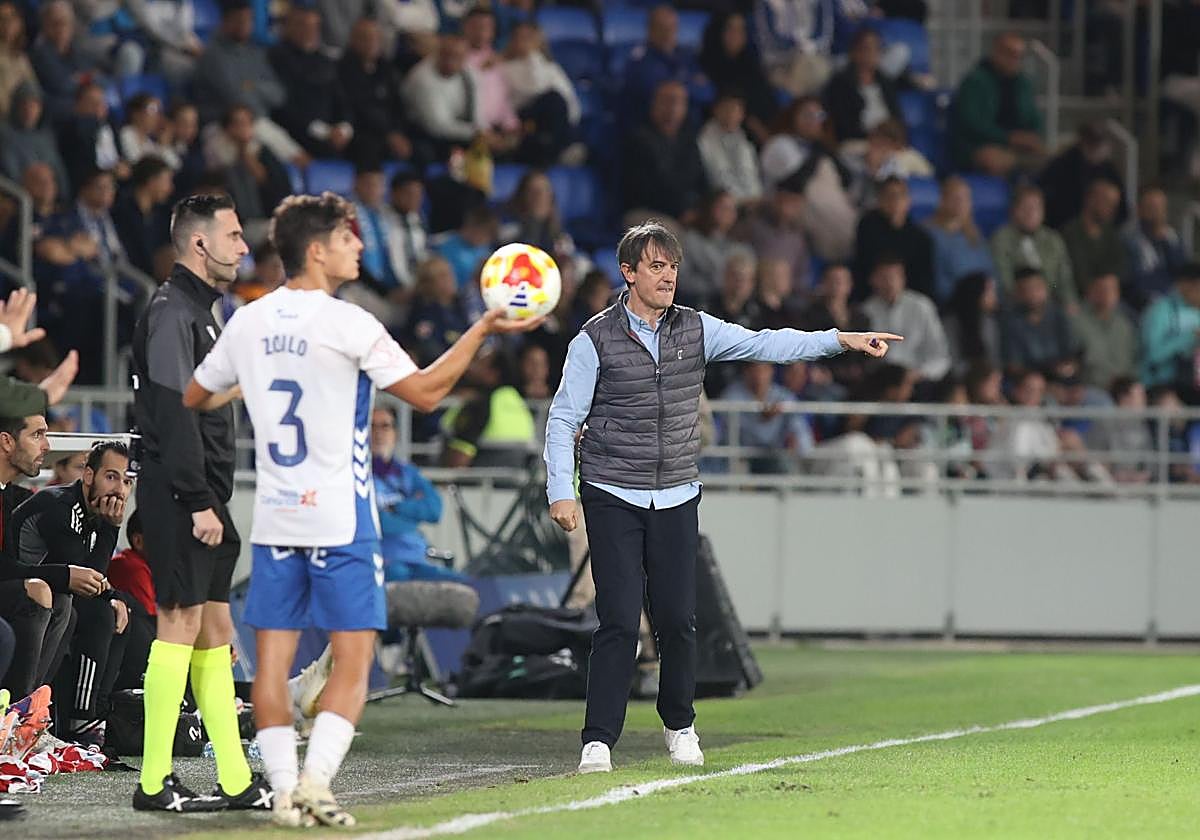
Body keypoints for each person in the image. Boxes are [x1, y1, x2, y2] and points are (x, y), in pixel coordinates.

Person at [183, 191, 544, 827]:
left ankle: (283, 792)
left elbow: (195, 395)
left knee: (273, 662)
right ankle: (316, 783)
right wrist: (483, 330)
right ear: (316, 250)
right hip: (341, 521)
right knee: (354, 659)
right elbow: (427, 393)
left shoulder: (248, 320)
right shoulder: (349, 323)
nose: (359, 245)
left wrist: (249, 385)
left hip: (277, 517)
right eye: (348, 237)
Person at [544, 221, 899, 774]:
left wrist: (838, 339)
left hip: (677, 492)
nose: (668, 276)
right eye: (656, 266)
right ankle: (598, 740)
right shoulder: (592, 339)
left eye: (673, 267)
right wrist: (560, 491)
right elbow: (564, 418)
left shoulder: (698, 328)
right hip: (612, 491)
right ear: (629, 273)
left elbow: (767, 343)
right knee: (617, 621)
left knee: (677, 619)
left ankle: (680, 727)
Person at [129, 193, 270, 813]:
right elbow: (171, 407)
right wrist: (195, 498)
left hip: (205, 494)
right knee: (180, 625)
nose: (244, 248)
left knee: (214, 633)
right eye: (234, 236)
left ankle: (235, 780)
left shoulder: (199, 314)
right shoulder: (171, 312)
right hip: (183, 494)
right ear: (199, 243)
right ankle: (153, 782)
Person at [8, 441, 133, 742]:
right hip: (16, 589)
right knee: (93, 612)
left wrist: (113, 596)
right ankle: (72, 717)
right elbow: (83, 576)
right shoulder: (60, 505)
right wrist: (112, 527)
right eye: (111, 477)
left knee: (123, 610)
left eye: (127, 481)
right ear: (89, 475)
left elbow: (90, 578)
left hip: (49, 590)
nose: (119, 489)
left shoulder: (93, 512)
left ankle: (95, 715)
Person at [0, 412, 80, 701]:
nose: (46, 446)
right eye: (37, 435)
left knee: (64, 603)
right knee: (38, 591)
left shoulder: (10, 494)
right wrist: (62, 574)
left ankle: (30, 708)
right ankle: (16, 710)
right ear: (7, 442)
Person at [370, 405, 449, 583]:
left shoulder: (407, 472)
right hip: (380, 560)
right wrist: (410, 513)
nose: (378, 433)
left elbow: (434, 510)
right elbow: (377, 522)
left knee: (466, 585)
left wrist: (395, 507)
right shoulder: (352, 474)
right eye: (372, 426)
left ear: (395, 434)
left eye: (385, 426)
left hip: (415, 557)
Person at [950, 32, 1044, 175]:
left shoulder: (1023, 84)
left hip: (1017, 146)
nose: (1015, 60)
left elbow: (1034, 117)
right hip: (979, 145)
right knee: (996, 161)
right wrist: (1008, 138)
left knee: (1051, 160)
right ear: (996, 52)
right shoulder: (975, 81)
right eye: (1010, 53)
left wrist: (1033, 137)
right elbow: (971, 124)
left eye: (1019, 55)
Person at [860, 254, 950, 383]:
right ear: (873, 279)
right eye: (884, 277)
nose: (890, 282)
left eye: (895, 277)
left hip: (919, 378)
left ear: (903, 278)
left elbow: (940, 355)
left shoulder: (922, 306)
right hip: (880, 381)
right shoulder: (866, 310)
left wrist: (918, 375)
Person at [990, 184, 1076, 309]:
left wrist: (1067, 300)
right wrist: (1025, 296)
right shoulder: (1001, 239)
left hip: (1052, 302)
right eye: (1025, 207)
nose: (1030, 213)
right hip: (1016, 303)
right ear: (1013, 210)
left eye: (1036, 208)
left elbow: (1062, 278)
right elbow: (1003, 279)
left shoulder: (1053, 239)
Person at [853, 176, 934, 300]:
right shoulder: (867, 227)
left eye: (900, 196)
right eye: (889, 196)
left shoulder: (921, 237)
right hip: (873, 296)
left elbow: (924, 280)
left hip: (909, 298)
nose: (895, 201)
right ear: (880, 200)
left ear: (908, 201)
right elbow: (863, 268)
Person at [924, 176, 996, 306]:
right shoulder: (930, 236)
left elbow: (990, 272)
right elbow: (938, 283)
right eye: (955, 198)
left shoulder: (976, 236)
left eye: (966, 198)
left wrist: (991, 294)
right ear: (942, 201)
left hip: (984, 304)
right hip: (952, 307)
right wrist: (972, 298)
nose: (961, 203)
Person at [823, 28, 902, 144]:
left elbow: (897, 118)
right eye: (867, 48)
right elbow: (843, 125)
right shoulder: (840, 84)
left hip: (888, 140)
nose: (872, 53)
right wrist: (875, 138)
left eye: (877, 48)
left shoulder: (885, 82)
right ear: (854, 52)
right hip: (857, 141)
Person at [999, 267, 1077, 376]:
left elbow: (1072, 353)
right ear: (1017, 294)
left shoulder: (1058, 315)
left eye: (1037, 288)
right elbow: (1014, 366)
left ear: (1046, 288)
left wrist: (1070, 366)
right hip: (1030, 380)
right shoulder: (1010, 322)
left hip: (1063, 377)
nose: (1033, 294)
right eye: (1026, 290)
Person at [1061, 178, 1129, 302]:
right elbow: (1077, 273)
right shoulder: (1071, 233)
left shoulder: (1111, 234)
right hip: (1079, 300)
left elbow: (1121, 268)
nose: (1112, 209)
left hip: (1110, 298)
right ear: (1091, 200)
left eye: (1115, 204)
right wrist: (1098, 288)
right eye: (1107, 202)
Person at [1140, 263, 1200, 397]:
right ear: (1184, 285)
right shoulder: (1160, 311)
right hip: (1160, 385)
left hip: (1192, 383)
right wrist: (1190, 337)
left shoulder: (1196, 311)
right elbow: (1154, 355)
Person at [697, 89, 764, 207]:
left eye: (737, 110)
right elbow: (717, 178)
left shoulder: (745, 142)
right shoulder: (704, 141)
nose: (731, 115)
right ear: (716, 110)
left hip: (752, 201)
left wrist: (756, 198)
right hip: (724, 204)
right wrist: (743, 200)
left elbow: (751, 175)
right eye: (727, 109)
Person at [1071, 272, 1138, 390]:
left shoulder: (1124, 324)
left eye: (1112, 289)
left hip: (1124, 389)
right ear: (1091, 292)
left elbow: (1134, 360)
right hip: (1091, 388)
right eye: (1102, 289)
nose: (1108, 294)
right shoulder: (1077, 323)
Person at [1124, 185, 1186, 309]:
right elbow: (1133, 283)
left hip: (1173, 301)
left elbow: (1182, 273)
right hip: (1142, 304)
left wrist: (1167, 243)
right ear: (1139, 210)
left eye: (1161, 207)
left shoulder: (1172, 238)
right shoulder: (1128, 239)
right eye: (1152, 207)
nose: (1158, 213)